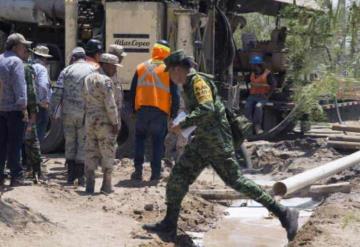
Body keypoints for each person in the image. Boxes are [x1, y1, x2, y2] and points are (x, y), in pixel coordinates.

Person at [143, 50, 299, 242]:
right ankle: (169, 224)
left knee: (236, 181)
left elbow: (207, 108)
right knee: (178, 177)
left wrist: (182, 124)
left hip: (216, 142)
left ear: (177, 69)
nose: (170, 76)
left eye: (170, 72)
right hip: (203, 141)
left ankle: (284, 213)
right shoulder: (188, 84)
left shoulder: (197, 82)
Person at [130, 40, 180, 181]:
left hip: (142, 110)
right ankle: (155, 174)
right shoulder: (168, 70)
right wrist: (174, 114)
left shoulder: (141, 67)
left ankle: (138, 171)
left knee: (139, 140)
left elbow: (133, 90)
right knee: (157, 142)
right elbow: (174, 94)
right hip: (159, 111)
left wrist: (133, 111)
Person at [83, 53, 120, 194]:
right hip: (104, 121)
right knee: (108, 151)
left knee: (90, 150)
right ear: (107, 65)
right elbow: (110, 104)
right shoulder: (106, 81)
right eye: (114, 67)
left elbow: (84, 98)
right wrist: (115, 122)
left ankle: (90, 184)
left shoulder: (87, 78)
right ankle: (106, 184)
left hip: (89, 119)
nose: (115, 70)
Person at [0, 33, 32, 186]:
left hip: (1, 109)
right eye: (23, 45)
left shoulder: (0, 59)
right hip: (14, 110)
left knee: (1, 144)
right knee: (15, 144)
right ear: (15, 46)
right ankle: (16, 177)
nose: (25, 48)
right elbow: (20, 87)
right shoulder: (16, 62)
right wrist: (23, 107)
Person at [61, 47, 96, 185]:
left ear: (74, 58)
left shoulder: (66, 70)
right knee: (83, 143)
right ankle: (80, 177)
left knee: (70, 141)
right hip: (84, 114)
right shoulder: (92, 70)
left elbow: (58, 91)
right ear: (85, 57)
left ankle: (70, 176)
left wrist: (54, 111)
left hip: (68, 113)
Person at [23, 46, 43, 183]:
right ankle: (36, 171)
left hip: (6, 110)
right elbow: (31, 93)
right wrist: (33, 114)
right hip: (24, 110)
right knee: (32, 140)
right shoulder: (26, 68)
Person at [244, 55, 277, 133]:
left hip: (262, 97)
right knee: (247, 107)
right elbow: (246, 80)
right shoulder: (252, 74)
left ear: (260, 66)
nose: (254, 67)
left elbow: (273, 85)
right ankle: (248, 126)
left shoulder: (268, 74)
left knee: (258, 107)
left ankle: (257, 126)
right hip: (252, 96)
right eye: (253, 65)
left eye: (255, 65)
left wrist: (267, 96)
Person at [31, 45, 53, 142]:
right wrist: (44, 101)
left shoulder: (29, 66)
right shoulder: (41, 68)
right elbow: (43, 85)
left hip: (30, 103)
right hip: (40, 105)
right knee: (39, 129)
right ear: (44, 57)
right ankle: (37, 153)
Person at [108, 44, 127, 126]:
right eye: (120, 56)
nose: (122, 58)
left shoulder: (114, 69)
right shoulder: (108, 70)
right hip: (109, 117)